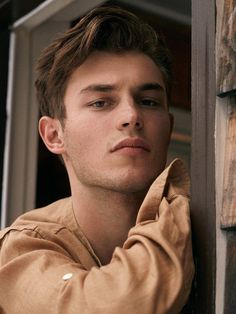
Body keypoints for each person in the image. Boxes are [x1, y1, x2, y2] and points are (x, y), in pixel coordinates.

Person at [0, 6, 194, 313]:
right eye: (101, 102)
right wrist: (178, 193)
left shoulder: (203, 232)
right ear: (54, 135)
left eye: (148, 101)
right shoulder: (21, 248)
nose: (131, 115)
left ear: (168, 129)